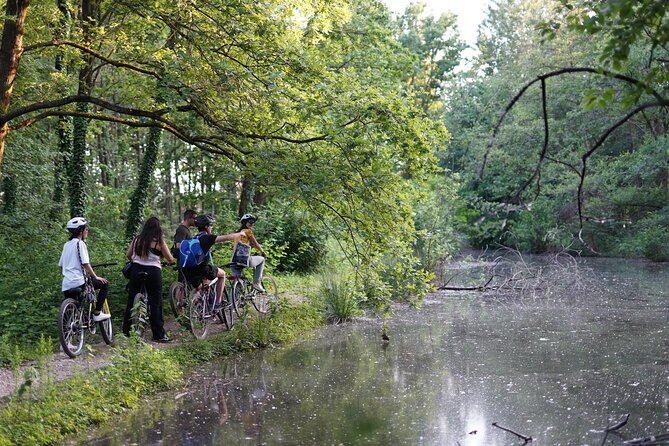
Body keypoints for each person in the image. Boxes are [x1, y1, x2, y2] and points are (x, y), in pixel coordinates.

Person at [123, 216, 175, 342]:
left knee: (131, 300)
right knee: (155, 302)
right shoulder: (159, 242)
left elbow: (128, 255)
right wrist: (169, 262)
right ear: (158, 228)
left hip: (136, 270)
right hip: (153, 272)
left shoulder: (137, 240)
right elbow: (170, 258)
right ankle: (158, 335)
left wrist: (137, 260)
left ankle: (127, 332)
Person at [182, 214, 242, 309]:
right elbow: (226, 237)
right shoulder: (206, 237)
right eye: (210, 225)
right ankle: (218, 303)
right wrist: (239, 234)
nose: (211, 228)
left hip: (188, 270)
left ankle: (190, 306)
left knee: (200, 287)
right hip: (201, 269)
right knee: (222, 274)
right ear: (206, 226)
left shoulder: (193, 239)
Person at [58, 217, 110, 321]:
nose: (87, 231)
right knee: (105, 284)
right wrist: (95, 276)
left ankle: (69, 328)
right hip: (78, 281)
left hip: (67, 283)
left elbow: (61, 265)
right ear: (81, 231)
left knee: (72, 312)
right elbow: (86, 264)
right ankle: (97, 313)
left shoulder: (66, 245)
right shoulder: (80, 243)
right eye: (86, 229)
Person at [231, 214, 266, 292]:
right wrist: (262, 252)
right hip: (244, 259)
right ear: (244, 222)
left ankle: (233, 302)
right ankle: (256, 282)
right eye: (250, 221)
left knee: (237, 281)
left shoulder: (238, 233)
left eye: (253, 222)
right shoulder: (248, 231)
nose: (252, 223)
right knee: (262, 259)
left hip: (234, 260)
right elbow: (256, 244)